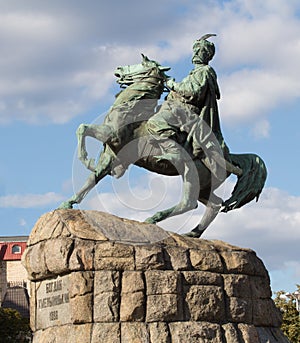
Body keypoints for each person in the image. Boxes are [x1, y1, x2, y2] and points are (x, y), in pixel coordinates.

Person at [147, 34, 241, 180]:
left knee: (154, 123)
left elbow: (193, 91)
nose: (197, 54)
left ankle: (174, 152)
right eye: (195, 50)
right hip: (176, 108)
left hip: (185, 112)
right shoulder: (195, 72)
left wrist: (172, 84)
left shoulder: (205, 71)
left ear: (207, 56)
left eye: (201, 51)